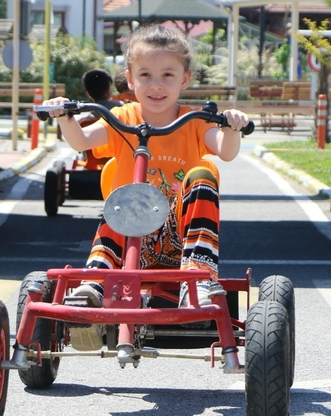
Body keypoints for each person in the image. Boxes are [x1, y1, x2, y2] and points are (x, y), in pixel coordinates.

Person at [43, 25, 250, 348]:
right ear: (130, 78)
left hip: (179, 242)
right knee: (124, 201)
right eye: (145, 75)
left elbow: (225, 150)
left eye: (167, 75)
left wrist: (233, 126)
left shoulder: (194, 121)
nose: (156, 85)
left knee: (202, 176)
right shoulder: (121, 118)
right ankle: (95, 286)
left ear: (184, 79)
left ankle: (197, 282)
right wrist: (64, 116)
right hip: (128, 244)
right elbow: (81, 140)